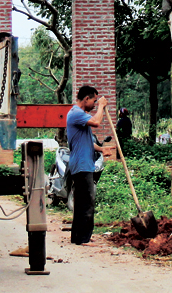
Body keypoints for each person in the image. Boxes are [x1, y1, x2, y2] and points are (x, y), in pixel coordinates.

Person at [66, 85, 106, 245]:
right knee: (87, 201)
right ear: (86, 99)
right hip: (82, 165)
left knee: (81, 202)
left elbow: (88, 141)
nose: (95, 104)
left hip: (82, 163)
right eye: (94, 101)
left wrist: (102, 149)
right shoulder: (76, 113)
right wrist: (102, 106)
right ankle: (83, 238)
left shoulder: (79, 115)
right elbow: (97, 122)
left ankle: (77, 237)